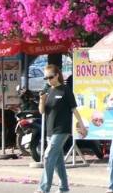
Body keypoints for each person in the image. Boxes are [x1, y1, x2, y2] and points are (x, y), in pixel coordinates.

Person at [36, 64, 88, 193]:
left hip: (62, 129)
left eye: (51, 77)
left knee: (48, 157)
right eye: (46, 78)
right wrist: (41, 100)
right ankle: (64, 188)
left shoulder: (65, 90)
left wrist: (81, 125)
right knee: (58, 161)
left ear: (57, 75)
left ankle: (44, 189)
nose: (49, 80)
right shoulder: (47, 90)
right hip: (50, 129)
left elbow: (74, 109)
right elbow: (42, 111)